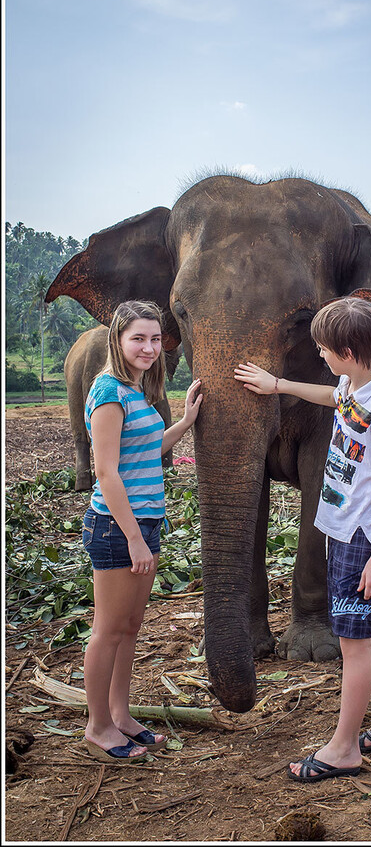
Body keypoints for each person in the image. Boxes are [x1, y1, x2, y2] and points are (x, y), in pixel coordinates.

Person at [234, 296, 371, 782]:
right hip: (341, 530)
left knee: (352, 643)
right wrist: (276, 386)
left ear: (349, 350)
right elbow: (331, 397)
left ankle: (343, 749)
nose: (320, 356)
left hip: (363, 541)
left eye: (324, 350)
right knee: (366, 631)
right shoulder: (352, 385)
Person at [81, 301, 203, 763]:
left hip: (144, 523)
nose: (149, 347)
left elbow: (149, 449)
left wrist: (186, 424)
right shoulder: (110, 392)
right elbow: (106, 473)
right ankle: (98, 726)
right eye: (139, 338)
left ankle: (121, 714)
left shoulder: (136, 390)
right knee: (108, 630)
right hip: (117, 527)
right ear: (118, 338)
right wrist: (132, 536)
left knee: (130, 628)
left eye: (155, 339)